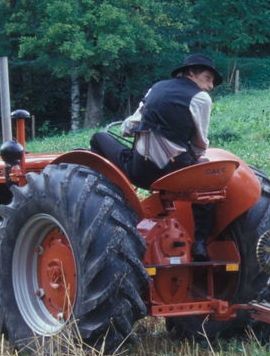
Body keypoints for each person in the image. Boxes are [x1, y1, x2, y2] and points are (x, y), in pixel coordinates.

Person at [90, 54, 223, 261]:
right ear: (191, 73)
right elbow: (200, 144)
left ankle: (112, 206)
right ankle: (200, 243)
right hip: (176, 173)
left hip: (141, 171)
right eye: (208, 77)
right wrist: (195, 160)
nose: (211, 84)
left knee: (99, 138)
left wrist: (128, 129)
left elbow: (131, 125)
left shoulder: (156, 88)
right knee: (206, 175)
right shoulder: (201, 98)